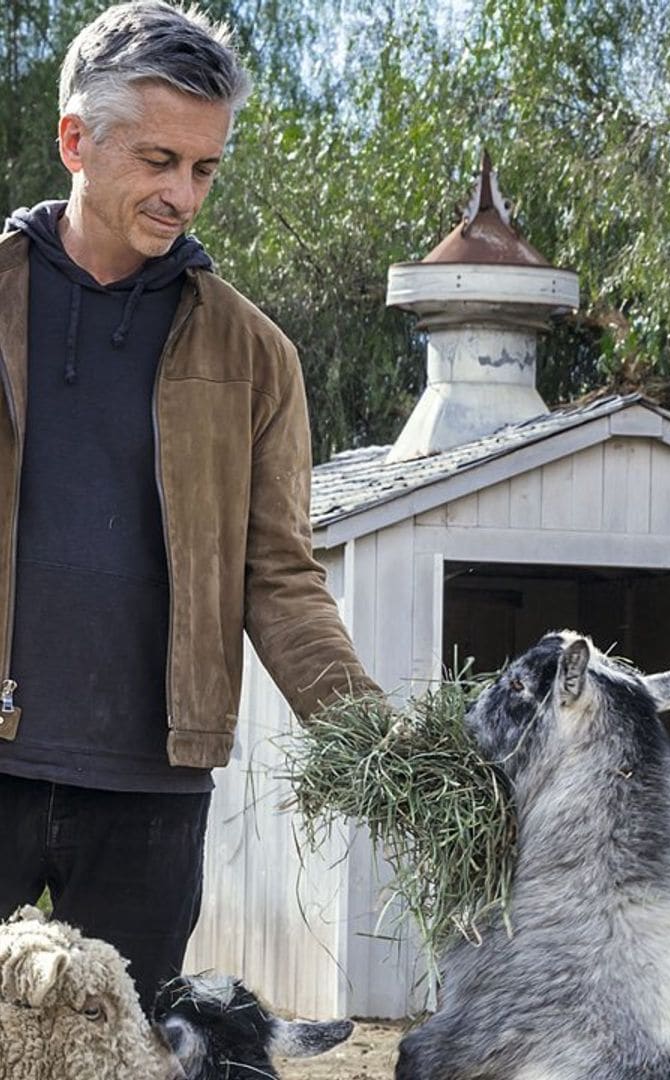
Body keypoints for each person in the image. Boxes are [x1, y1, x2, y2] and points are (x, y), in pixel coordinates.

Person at [0, 1, 379, 1013]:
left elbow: (282, 579)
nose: (183, 196)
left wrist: (373, 742)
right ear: (77, 139)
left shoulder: (254, 356)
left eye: (205, 170)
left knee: (125, 1057)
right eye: (160, 160)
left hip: (151, 789)